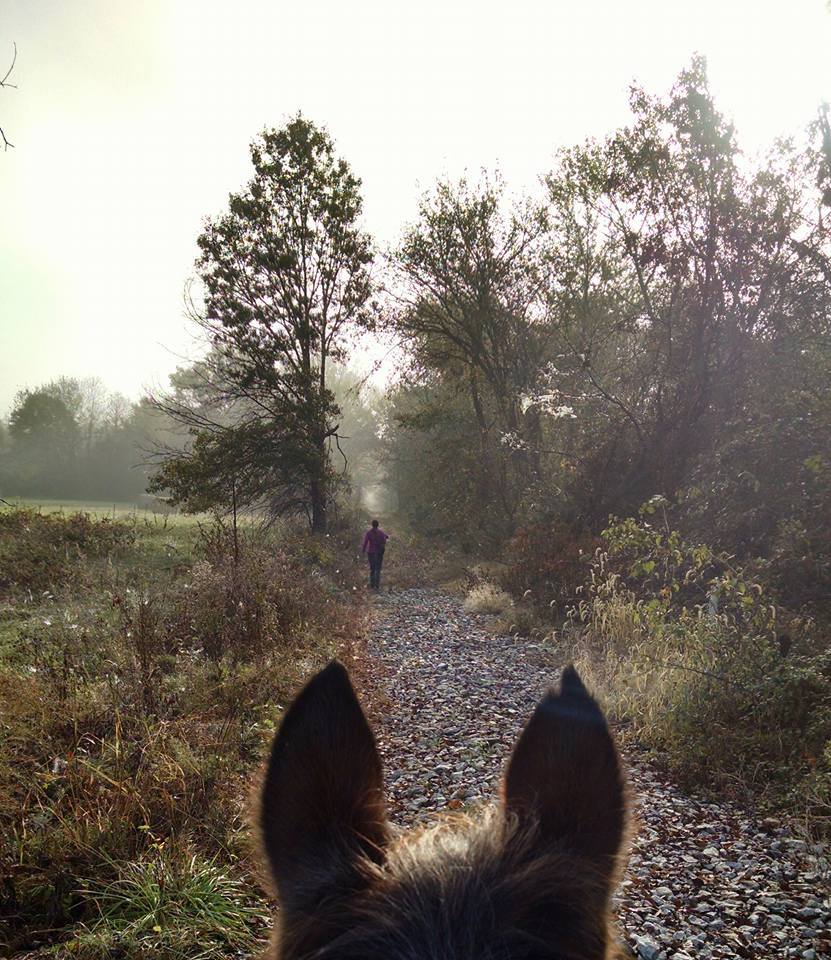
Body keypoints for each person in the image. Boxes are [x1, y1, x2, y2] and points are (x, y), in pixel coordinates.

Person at [361, 519, 389, 590]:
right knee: (378, 569)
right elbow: (385, 539)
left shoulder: (369, 533)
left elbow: (365, 542)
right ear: (378, 525)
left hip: (371, 553)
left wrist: (363, 550)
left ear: (372, 525)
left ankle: (372, 584)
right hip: (379, 553)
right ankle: (377, 585)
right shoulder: (381, 532)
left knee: (372, 569)